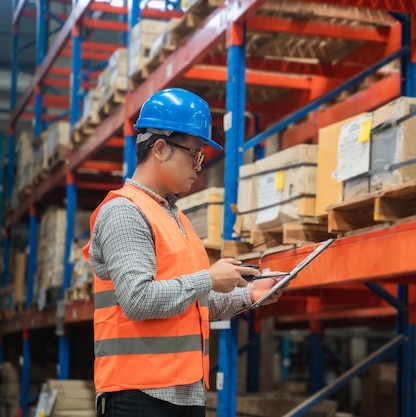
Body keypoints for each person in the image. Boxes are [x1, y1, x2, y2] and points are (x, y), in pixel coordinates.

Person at [83, 88, 285, 417]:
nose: (198, 166)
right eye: (194, 155)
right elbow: (137, 300)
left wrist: (249, 295)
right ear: (160, 149)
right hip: (138, 397)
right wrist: (208, 278)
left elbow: (192, 308)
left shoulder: (176, 218)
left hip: (184, 394)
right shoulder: (124, 212)